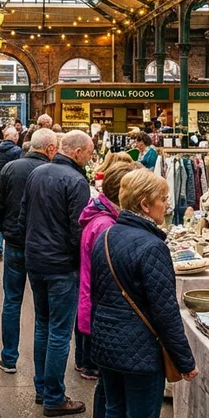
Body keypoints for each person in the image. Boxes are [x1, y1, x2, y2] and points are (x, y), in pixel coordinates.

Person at [90, 168, 197, 418]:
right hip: (140, 351)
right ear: (144, 205)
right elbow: (165, 311)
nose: (167, 204)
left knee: (114, 415)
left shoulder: (106, 235)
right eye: (162, 198)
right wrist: (185, 360)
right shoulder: (152, 247)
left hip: (106, 344)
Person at [21, 130, 94, 416]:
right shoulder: (77, 181)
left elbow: (23, 215)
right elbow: (79, 229)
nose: (90, 158)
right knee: (60, 332)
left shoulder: (37, 173)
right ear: (77, 152)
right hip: (61, 265)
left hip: (36, 260)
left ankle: (43, 388)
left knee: (43, 325)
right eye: (89, 153)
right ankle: (53, 396)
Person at [0, 128, 57, 374]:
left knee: (12, 301)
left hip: (16, 245)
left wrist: (5, 229)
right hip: (44, 248)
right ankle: (44, 370)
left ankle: (9, 358)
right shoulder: (55, 174)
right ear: (49, 148)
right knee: (43, 309)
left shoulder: (11, 168)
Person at [77, 162, 136, 381]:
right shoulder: (106, 225)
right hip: (101, 309)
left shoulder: (102, 218)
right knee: (110, 390)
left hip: (94, 304)